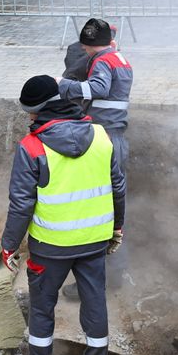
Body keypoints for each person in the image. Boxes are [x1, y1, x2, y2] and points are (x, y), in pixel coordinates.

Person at [0, 76, 126, 355]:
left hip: (50, 246)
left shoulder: (31, 146)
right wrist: (116, 227)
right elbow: (118, 187)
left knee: (42, 307)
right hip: (93, 241)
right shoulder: (101, 136)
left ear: (35, 111)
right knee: (94, 303)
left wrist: (9, 246)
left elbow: (21, 204)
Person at [57, 18, 133, 295]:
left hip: (103, 140)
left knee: (98, 211)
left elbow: (95, 89)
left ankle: (95, 281)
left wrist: (62, 85)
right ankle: (112, 275)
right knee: (111, 208)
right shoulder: (117, 58)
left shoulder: (99, 61)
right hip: (113, 138)